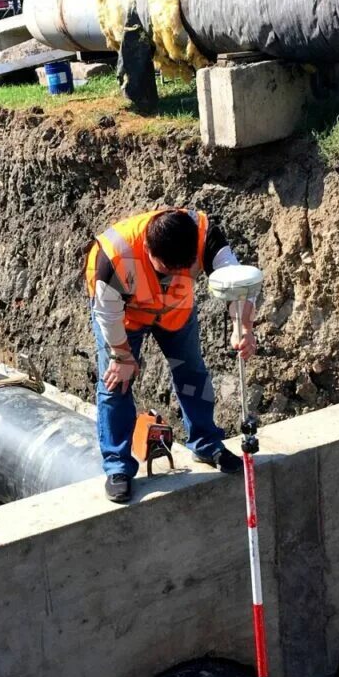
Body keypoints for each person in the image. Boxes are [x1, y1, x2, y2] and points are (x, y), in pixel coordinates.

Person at [84, 207, 257, 503]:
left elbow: (236, 282)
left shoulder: (204, 235)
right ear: (149, 249)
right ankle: (118, 467)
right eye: (167, 268)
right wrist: (122, 356)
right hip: (124, 318)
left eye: (183, 268)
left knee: (191, 373)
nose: (176, 274)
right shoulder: (113, 256)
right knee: (116, 383)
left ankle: (206, 443)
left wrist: (242, 325)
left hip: (175, 313)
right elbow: (107, 313)